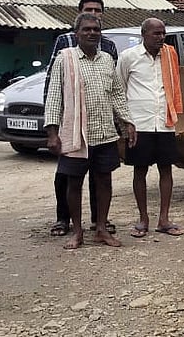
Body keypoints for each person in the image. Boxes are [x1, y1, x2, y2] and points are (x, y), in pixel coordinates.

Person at [44, 13, 135, 250]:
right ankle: (77, 232)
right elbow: (54, 97)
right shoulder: (65, 59)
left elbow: (116, 93)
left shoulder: (107, 59)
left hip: (104, 133)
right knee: (74, 184)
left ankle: (101, 229)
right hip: (76, 135)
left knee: (104, 181)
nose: (92, 33)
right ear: (77, 34)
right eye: (86, 29)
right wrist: (52, 134)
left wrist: (127, 121)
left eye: (96, 29)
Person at [117, 18, 184, 238]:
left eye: (163, 33)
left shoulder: (170, 55)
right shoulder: (129, 57)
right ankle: (143, 219)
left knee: (166, 169)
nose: (161, 38)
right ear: (143, 34)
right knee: (140, 170)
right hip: (139, 123)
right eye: (156, 33)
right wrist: (125, 123)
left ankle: (163, 219)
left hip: (165, 122)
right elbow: (120, 89)